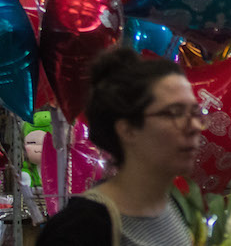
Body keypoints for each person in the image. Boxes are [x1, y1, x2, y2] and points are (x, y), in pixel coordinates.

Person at [37, 47, 204, 246]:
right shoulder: (79, 229)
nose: (194, 126)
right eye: (175, 113)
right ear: (128, 129)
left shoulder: (175, 206)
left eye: (195, 112)